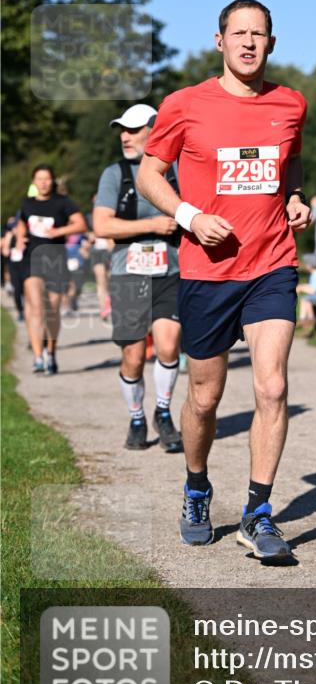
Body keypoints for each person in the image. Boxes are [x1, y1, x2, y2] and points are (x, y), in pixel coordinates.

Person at [136, 0, 310, 562]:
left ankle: (258, 513)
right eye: (239, 33)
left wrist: (296, 197)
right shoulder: (185, 104)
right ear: (220, 41)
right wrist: (189, 216)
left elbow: (291, 163)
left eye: (259, 34)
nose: (249, 43)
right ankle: (196, 487)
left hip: (271, 264)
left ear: (271, 43)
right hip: (207, 271)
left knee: (272, 387)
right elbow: (150, 174)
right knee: (205, 397)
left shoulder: (291, 103)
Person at [93, 104, 183, 454]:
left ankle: (163, 413)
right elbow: (102, 225)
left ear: (154, 130)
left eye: (132, 129)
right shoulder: (114, 174)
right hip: (128, 274)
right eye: (122, 130)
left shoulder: (176, 169)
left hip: (170, 271)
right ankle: (136, 418)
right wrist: (152, 225)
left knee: (168, 345)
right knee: (132, 356)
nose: (124, 137)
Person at [14, 164, 87, 374]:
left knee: (52, 311)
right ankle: (38, 357)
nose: (43, 183)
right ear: (33, 181)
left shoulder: (63, 202)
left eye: (47, 179)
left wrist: (58, 232)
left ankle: (50, 351)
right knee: (36, 307)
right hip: (32, 259)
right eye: (39, 179)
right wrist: (19, 238)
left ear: (52, 181)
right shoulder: (27, 203)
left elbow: (81, 224)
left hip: (55, 260)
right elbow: (22, 223)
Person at [88, 195, 112, 320]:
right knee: (100, 278)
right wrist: (89, 236)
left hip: (108, 250)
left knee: (110, 278)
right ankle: (103, 307)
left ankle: (109, 300)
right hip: (97, 250)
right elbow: (85, 232)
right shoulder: (89, 217)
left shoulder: (111, 214)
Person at [1, 216, 25, 320]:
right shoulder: (9, 237)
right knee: (17, 289)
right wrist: (8, 239)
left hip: (25, 265)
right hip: (14, 266)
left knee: (26, 289)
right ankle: (20, 310)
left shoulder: (25, 235)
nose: (15, 229)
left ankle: (29, 309)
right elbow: (5, 253)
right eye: (13, 227)